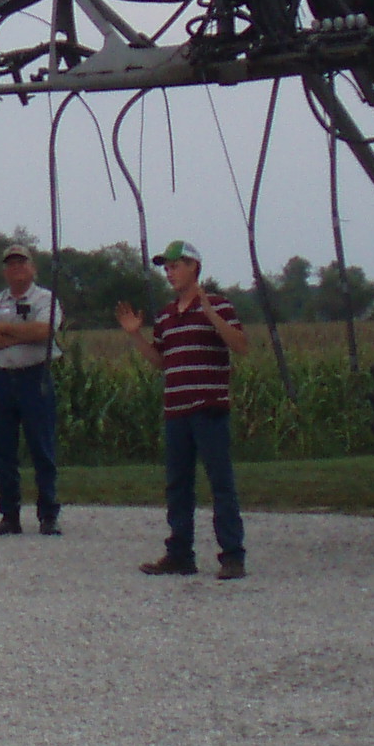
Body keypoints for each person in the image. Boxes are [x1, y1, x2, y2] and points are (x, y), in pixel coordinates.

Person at [119, 241, 247, 579]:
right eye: (167, 268)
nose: (169, 273)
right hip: (176, 410)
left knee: (220, 483)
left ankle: (232, 555)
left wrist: (210, 313)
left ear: (194, 267)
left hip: (208, 407)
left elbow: (240, 345)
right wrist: (136, 336)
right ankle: (180, 554)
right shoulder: (165, 315)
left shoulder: (219, 305)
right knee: (177, 485)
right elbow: (162, 361)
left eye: (175, 266)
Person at [0, 244, 64, 536]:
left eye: (21, 263)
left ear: (32, 268)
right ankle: (9, 515)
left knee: (42, 448)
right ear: (4, 271)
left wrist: (5, 329)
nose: (16, 269)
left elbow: (44, 331)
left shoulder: (45, 299)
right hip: (0, 379)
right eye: (11, 265)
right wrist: (23, 334)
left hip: (34, 378)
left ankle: (48, 513)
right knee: (3, 451)